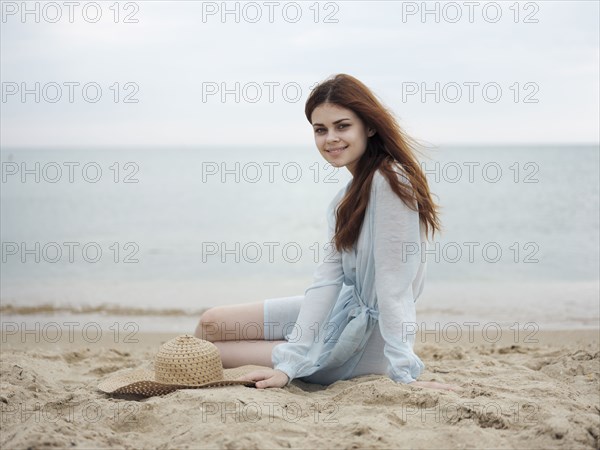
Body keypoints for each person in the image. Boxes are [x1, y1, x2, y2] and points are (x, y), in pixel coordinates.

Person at [195, 74, 458, 391]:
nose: (330, 138)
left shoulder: (390, 181)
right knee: (211, 322)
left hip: (361, 343)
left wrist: (404, 373)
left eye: (342, 126)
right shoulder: (345, 198)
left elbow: (394, 287)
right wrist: (292, 359)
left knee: (207, 351)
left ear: (369, 127)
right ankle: (293, 350)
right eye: (320, 130)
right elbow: (327, 281)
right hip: (341, 312)